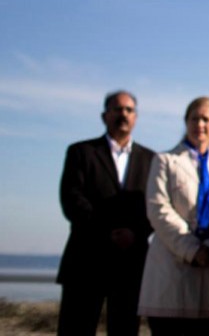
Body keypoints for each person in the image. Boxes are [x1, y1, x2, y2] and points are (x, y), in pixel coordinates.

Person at [57, 90, 155, 336]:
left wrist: (135, 233)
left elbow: (156, 205)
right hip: (86, 260)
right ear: (104, 115)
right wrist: (107, 232)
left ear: (136, 117)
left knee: (125, 330)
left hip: (131, 263)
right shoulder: (81, 152)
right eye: (117, 109)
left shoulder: (151, 159)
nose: (123, 114)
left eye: (129, 110)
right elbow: (72, 200)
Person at [138, 96, 209, 335]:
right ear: (186, 121)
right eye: (194, 119)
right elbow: (158, 209)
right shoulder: (165, 161)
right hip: (172, 268)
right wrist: (192, 249)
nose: (199, 124)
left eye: (205, 119)